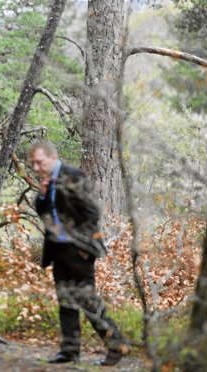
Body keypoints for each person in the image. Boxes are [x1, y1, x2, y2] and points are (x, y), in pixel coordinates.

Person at [29, 140, 130, 366]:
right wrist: (43, 194)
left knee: (88, 301)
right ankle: (69, 352)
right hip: (58, 251)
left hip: (79, 252)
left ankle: (117, 345)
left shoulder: (73, 176)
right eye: (33, 164)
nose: (35, 168)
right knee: (66, 302)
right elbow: (45, 215)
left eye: (39, 162)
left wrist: (84, 249)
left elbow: (91, 213)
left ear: (52, 157)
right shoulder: (46, 181)